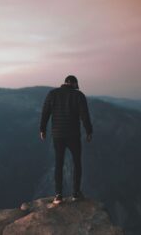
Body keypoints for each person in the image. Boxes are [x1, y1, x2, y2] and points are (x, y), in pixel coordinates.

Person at [39, 75, 93, 204]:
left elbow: (45, 112)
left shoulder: (52, 94)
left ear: (65, 82)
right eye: (76, 86)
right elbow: (84, 115)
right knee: (77, 163)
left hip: (57, 135)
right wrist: (89, 131)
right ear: (74, 84)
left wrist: (42, 129)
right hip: (73, 135)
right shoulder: (79, 96)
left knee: (59, 163)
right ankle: (76, 193)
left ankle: (58, 195)